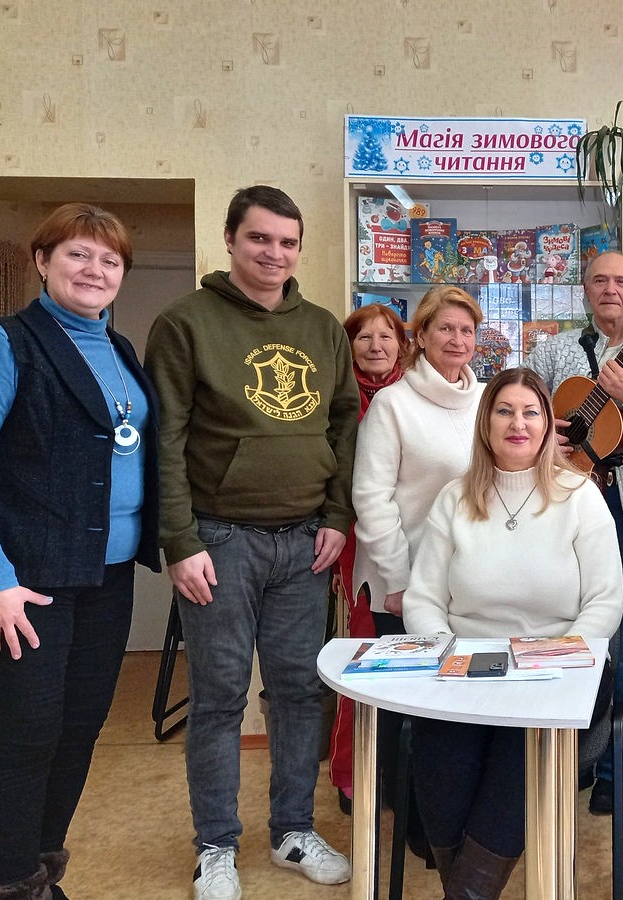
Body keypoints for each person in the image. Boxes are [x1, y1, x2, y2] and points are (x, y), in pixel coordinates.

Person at [0, 203, 159, 900]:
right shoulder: (3, 343)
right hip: (24, 582)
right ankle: (13, 885)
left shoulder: (120, 350)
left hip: (106, 576)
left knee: (80, 728)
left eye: (109, 260)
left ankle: (41, 872)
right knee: (28, 735)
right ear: (42, 261)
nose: (94, 270)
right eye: (77, 254)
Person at [145, 186, 357, 898]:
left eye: (287, 242)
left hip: (305, 542)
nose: (274, 253)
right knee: (219, 699)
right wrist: (179, 540)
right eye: (260, 238)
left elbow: (344, 425)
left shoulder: (323, 328)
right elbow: (166, 439)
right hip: (220, 541)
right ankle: (216, 846)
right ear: (231, 240)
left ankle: (293, 830)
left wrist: (336, 516)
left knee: (298, 693)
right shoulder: (186, 324)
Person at [402, 368, 623, 899]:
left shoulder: (580, 496)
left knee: (519, 761)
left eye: (531, 412)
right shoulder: (454, 499)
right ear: (486, 424)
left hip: (559, 672)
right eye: (504, 411)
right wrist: (448, 660)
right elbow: (424, 600)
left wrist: (558, 659)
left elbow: (604, 602)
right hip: (464, 671)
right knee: (442, 766)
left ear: (549, 424)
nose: (517, 423)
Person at [526, 250, 623, 815]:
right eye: (599, 280)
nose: (610, 289)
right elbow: (522, 418)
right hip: (566, 509)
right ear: (585, 288)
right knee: (568, 632)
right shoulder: (553, 351)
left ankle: (620, 771)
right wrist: (549, 437)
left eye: (621, 280)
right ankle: (575, 756)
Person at [350, 284, 483, 854]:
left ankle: (456, 824)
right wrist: (399, 582)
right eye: (445, 328)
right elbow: (371, 499)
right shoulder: (393, 405)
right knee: (410, 713)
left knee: (458, 709)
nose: (457, 340)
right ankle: (417, 831)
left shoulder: (487, 400)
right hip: (403, 583)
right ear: (421, 336)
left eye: (467, 330)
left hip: (469, 585)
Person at [326, 303, 410, 816]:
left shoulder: (415, 393)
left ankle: (402, 773)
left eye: (386, 337)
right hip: (357, 542)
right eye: (364, 338)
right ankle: (351, 772)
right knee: (364, 658)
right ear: (348, 346)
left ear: (403, 344)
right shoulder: (335, 396)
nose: (377, 346)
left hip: (417, 546)